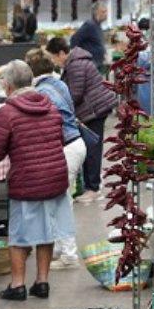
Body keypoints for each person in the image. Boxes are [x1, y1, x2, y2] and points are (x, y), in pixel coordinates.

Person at [0, 60, 72, 302]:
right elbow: (61, 138)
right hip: (55, 176)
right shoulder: (51, 106)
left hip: (27, 180)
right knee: (47, 231)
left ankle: (18, 285)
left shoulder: (7, 112)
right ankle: (42, 282)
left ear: (8, 85)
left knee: (19, 234)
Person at [27, 48, 85, 266]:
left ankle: (69, 255)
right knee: (60, 200)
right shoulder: (58, 83)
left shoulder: (41, 92)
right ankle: (61, 248)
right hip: (76, 144)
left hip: (66, 147)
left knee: (61, 203)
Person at [44, 36, 115, 204]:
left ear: (61, 53)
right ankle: (92, 185)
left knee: (92, 148)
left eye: (54, 57)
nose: (54, 61)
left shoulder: (75, 65)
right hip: (94, 108)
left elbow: (74, 95)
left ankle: (93, 189)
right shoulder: (75, 61)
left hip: (95, 109)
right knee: (91, 146)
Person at [70, 2, 108, 67]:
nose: (106, 14)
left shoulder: (98, 26)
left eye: (106, 12)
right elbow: (74, 40)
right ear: (96, 12)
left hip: (97, 64)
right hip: (89, 65)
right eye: (103, 12)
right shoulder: (89, 25)